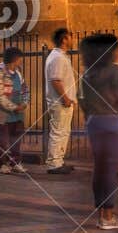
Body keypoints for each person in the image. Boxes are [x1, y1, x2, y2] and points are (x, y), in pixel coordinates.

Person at [79, 34, 118, 231]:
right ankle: (108, 216)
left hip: (94, 122)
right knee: (110, 169)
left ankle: (101, 212)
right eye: (116, 48)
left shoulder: (87, 73)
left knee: (99, 168)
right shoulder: (116, 71)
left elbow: (83, 101)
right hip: (112, 120)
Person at [0, 47, 29, 175]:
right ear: (15, 59)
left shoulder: (18, 72)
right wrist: (14, 107)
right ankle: (1, 164)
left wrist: (25, 102)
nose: (21, 61)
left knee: (16, 139)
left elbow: (24, 89)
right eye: (20, 59)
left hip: (17, 113)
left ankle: (15, 163)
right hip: (3, 114)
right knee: (3, 140)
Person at [44, 27, 76, 174]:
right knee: (58, 131)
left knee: (63, 131)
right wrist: (65, 98)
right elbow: (55, 80)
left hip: (63, 101)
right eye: (70, 37)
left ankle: (58, 161)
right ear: (64, 39)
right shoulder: (57, 57)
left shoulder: (59, 56)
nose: (73, 39)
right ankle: (54, 163)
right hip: (61, 102)